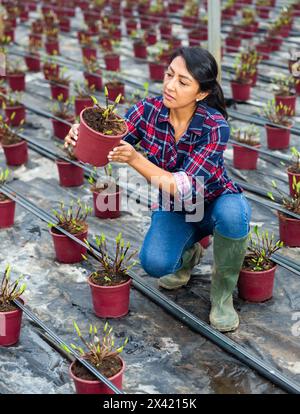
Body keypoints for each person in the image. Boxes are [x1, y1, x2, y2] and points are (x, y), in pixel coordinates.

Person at [65, 47, 251, 332]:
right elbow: (107, 145)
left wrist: (136, 160)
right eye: (169, 75)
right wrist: (80, 137)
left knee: (234, 215)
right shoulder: (148, 111)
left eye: (183, 82)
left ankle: (223, 296)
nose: (170, 85)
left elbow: (186, 186)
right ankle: (190, 254)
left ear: (201, 93)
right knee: (155, 264)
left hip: (214, 201)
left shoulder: (215, 126)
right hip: (177, 209)